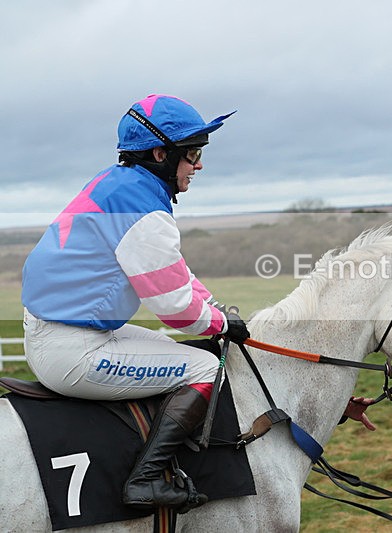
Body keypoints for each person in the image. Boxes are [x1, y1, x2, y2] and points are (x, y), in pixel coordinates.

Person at [21, 94, 249, 512]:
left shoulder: (121, 184)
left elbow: (177, 274)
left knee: (186, 352)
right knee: (204, 366)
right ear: (161, 153)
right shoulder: (144, 208)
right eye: (193, 153)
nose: (199, 164)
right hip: (73, 349)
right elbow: (176, 310)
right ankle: (143, 481)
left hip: (67, 332)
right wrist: (218, 325)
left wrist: (215, 310)